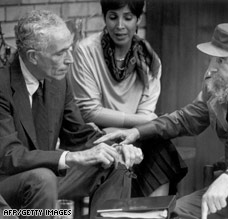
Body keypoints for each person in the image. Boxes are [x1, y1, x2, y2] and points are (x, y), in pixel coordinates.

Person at [95, 22, 228, 219]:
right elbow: (187, 118)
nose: (212, 68)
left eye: (221, 61)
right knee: (178, 212)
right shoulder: (221, 83)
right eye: (211, 60)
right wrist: (137, 131)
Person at [0, 9, 144, 219]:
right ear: (33, 56)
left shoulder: (58, 81)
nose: (70, 60)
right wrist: (71, 157)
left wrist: (119, 148)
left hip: (48, 178)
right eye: (60, 53)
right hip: (7, 184)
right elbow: (9, 156)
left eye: (69, 49)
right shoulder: (2, 86)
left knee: (115, 162)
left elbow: (78, 134)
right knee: (43, 178)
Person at [69, 0, 187, 197]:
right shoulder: (86, 51)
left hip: (134, 136)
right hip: (97, 135)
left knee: (161, 150)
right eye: (113, 17)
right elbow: (89, 111)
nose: (120, 26)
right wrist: (147, 122)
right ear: (105, 18)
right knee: (144, 150)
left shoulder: (150, 59)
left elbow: (145, 114)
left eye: (128, 18)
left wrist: (136, 130)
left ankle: (152, 214)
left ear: (138, 20)